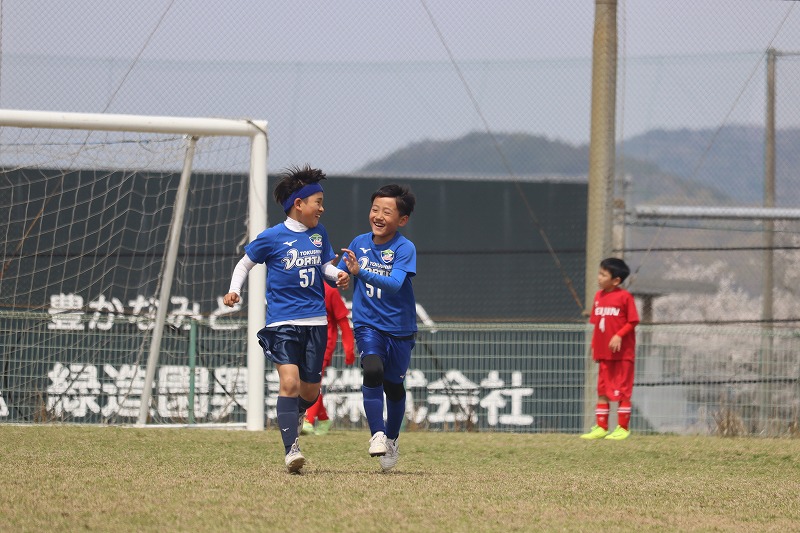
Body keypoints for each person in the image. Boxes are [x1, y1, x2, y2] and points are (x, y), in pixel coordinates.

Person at [223, 165, 349, 473]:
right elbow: (244, 264)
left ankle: (295, 414)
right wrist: (234, 290)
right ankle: (291, 449)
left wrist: (338, 274)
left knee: (310, 391)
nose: (322, 208)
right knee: (289, 383)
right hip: (283, 323)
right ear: (299, 204)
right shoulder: (272, 237)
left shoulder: (319, 234)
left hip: (316, 323)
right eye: (318, 202)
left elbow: (324, 268)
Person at [340, 184, 417, 472]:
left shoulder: (404, 248)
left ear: (402, 219)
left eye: (387, 212)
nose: (378, 216)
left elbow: (395, 284)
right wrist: (340, 277)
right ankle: (377, 434)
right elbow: (341, 272)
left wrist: (360, 272)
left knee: (394, 386)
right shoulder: (359, 242)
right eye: (375, 209)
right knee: (372, 370)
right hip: (367, 324)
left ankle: (392, 439)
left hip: (400, 329)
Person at [581, 257, 640, 441]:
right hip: (604, 354)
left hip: (622, 355)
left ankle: (622, 428)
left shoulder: (624, 297)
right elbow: (597, 324)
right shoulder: (598, 297)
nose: (599, 277)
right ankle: (601, 427)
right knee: (602, 390)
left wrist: (618, 335)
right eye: (599, 273)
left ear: (616, 280)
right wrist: (595, 346)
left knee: (622, 391)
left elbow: (633, 321)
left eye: (603, 275)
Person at [301, 283, 356, 436]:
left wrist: (349, 350)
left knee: (313, 381)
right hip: (303, 343)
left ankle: (308, 420)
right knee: (304, 382)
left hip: (323, 345)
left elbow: (343, 322)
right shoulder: (301, 287)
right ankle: (323, 418)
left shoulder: (330, 292)